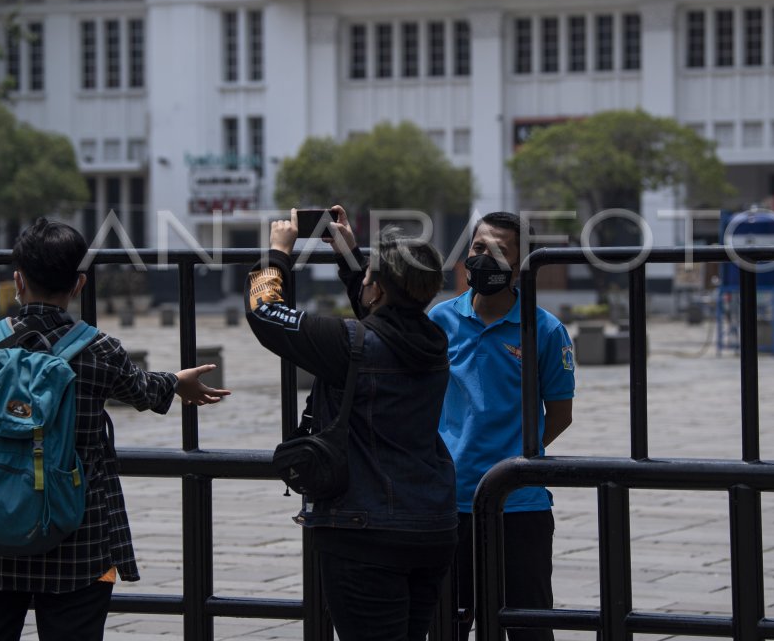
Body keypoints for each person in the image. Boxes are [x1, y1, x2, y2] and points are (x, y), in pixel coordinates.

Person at [0, 217, 229, 641]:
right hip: (77, 536)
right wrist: (177, 382)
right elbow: (141, 391)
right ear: (79, 285)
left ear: (18, 280)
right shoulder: (100, 349)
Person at [245, 206, 457, 641]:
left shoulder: (350, 344)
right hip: (431, 525)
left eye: (368, 278)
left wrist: (276, 254)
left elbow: (264, 311)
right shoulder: (434, 340)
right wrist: (350, 256)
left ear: (375, 287)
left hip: (365, 532)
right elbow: (383, 313)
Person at [429, 211, 576, 641]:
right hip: (449, 503)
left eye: (499, 251)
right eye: (478, 248)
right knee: (448, 624)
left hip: (520, 503)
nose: (485, 257)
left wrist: (516, 458)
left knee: (527, 626)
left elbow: (561, 414)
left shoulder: (544, 329)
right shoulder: (441, 321)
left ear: (520, 264)